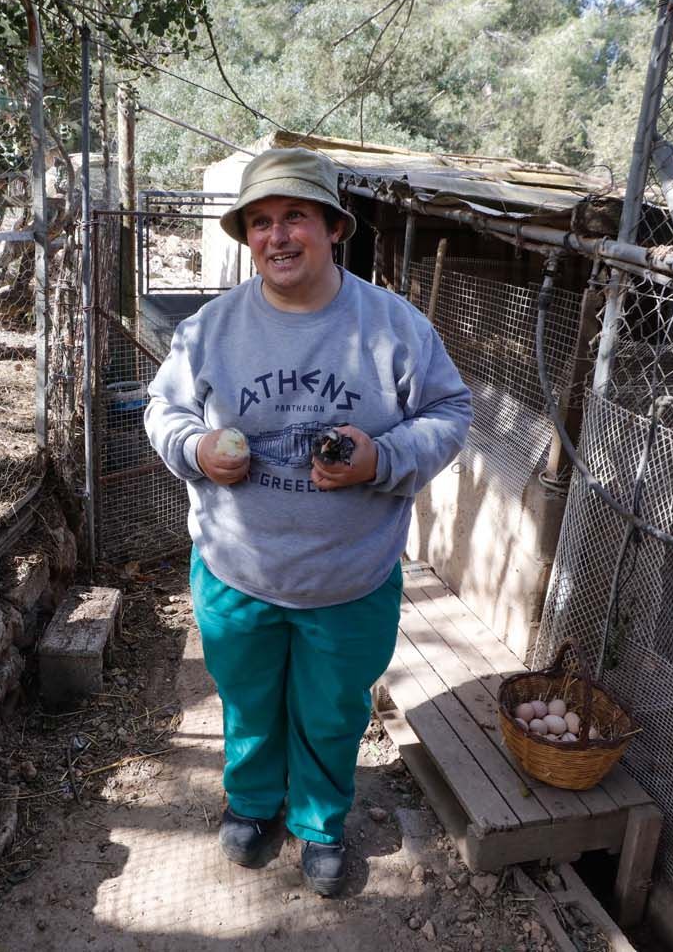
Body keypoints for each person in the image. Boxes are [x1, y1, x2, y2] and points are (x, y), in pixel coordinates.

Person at [143, 146, 472, 896]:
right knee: (249, 700)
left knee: (332, 710)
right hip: (238, 571)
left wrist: (380, 458)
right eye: (260, 221)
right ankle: (254, 804)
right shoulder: (209, 329)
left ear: (332, 227)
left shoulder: (394, 327)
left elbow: (451, 411)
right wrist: (197, 448)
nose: (277, 235)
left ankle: (321, 820)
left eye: (295, 216)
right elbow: (163, 411)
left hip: (348, 576)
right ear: (247, 237)